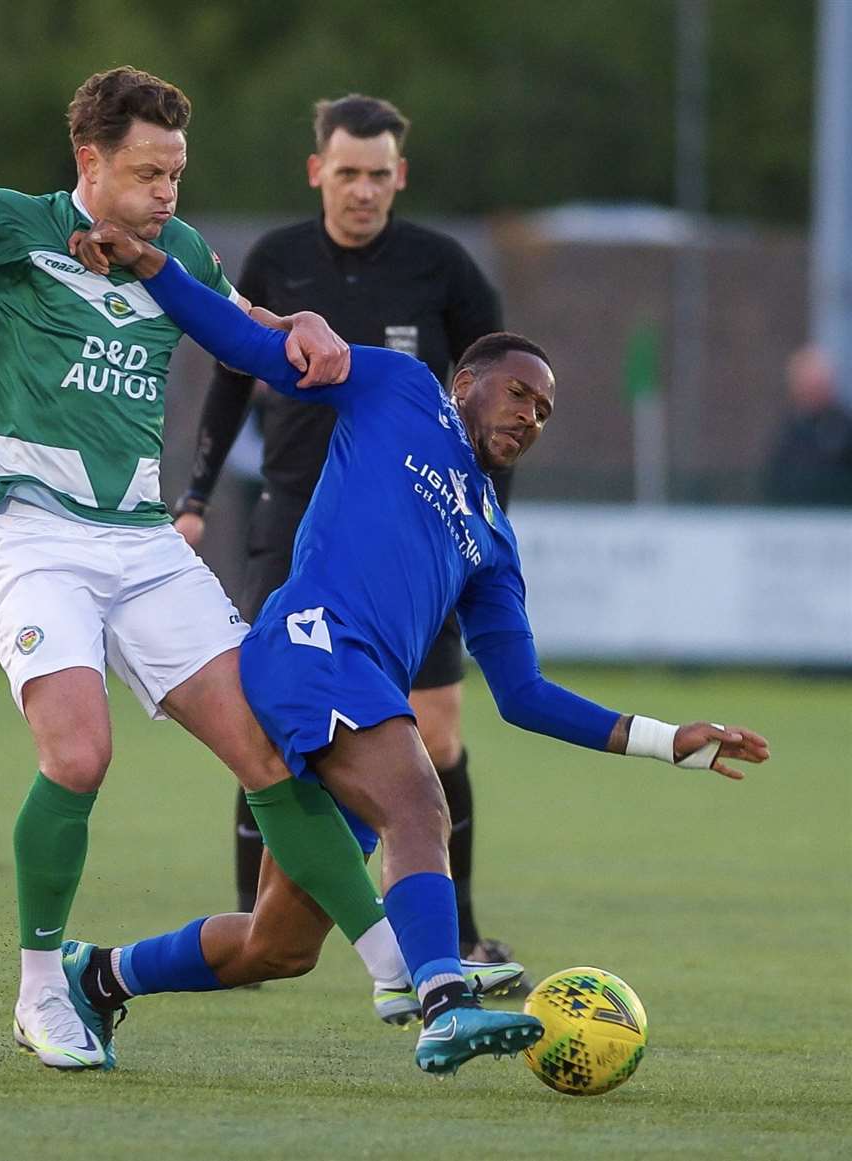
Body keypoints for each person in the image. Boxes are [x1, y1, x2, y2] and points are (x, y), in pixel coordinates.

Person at [0, 40, 449, 1073]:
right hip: (36, 538)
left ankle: (396, 967)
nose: (167, 192)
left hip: (142, 543)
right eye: (148, 172)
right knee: (78, 754)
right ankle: (42, 993)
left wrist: (302, 320)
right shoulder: (18, 229)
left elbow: (256, 333)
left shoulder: (183, 257)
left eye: (176, 173)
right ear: (90, 159)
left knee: (266, 750)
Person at [62, 227, 770, 1077]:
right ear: (465, 381)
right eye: (518, 394)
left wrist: (666, 739)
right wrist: (153, 267)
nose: (529, 417)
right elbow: (249, 344)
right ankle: (441, 999)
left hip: (354, 694)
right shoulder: (400, 387)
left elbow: (524, 694)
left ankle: (96, 975)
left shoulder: (492, 538)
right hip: (312, 649)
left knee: (277, 946)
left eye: (543, 412)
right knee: (419, 801)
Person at [174, 94, 521, 974]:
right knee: (264, 724)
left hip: (408, 538)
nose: (363, 189)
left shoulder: (443, 268)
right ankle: (260, 915)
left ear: (399, 177)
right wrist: (196, 494)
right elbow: (230, 378)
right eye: (347, 172)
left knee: (435, 740)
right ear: (317, 170)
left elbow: (499, 402)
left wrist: (478, 534)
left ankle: (457, 931)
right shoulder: (278, 258)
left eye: (378, 174)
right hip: (292, 511)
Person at [760, 346, 852, 506]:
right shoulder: (789, 431)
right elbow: (776, 476)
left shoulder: (844, 429)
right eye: (806, 386)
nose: (810, 392)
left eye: (817, 385)